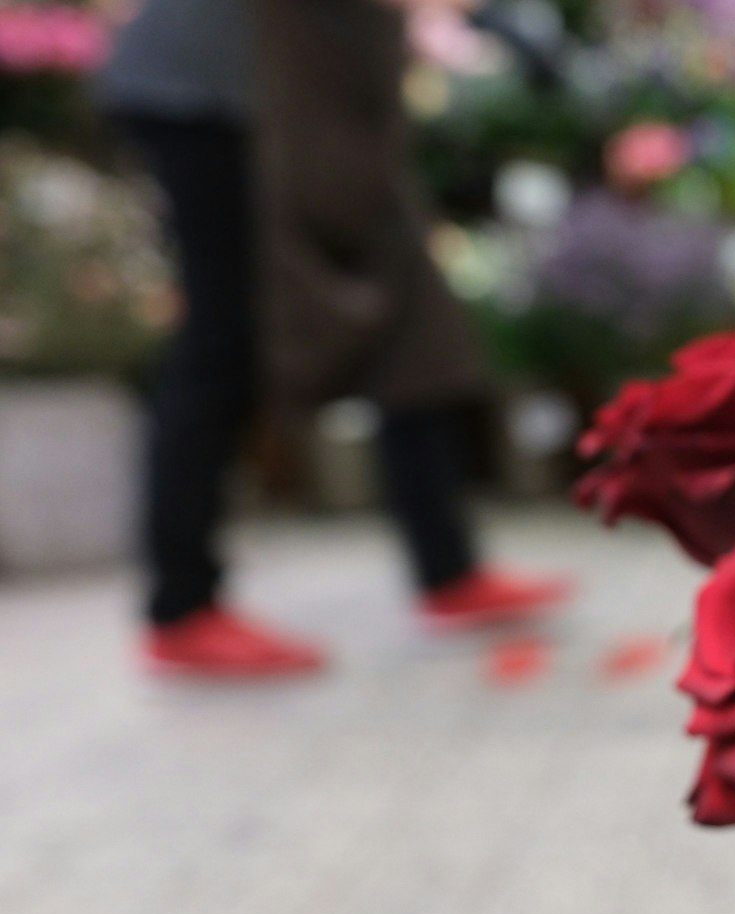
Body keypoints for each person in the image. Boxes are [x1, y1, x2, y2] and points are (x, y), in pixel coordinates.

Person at [99, 0, 568, 679]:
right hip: (212, 90)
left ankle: (449, 570)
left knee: (414, 313)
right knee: (224, 336)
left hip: (308, 88)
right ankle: (181, 607)